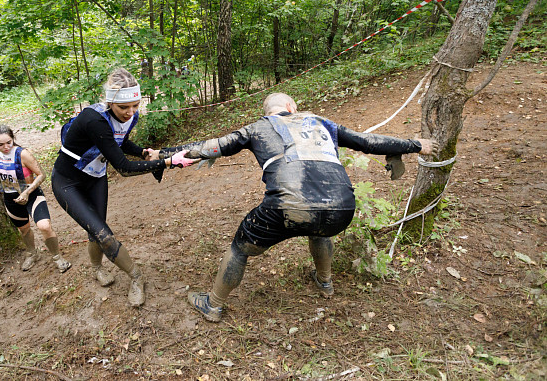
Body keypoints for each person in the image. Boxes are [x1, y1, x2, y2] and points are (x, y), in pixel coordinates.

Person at [157, 92, 437, 322]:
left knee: (240, 248)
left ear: (268, 113)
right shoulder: (320, 122)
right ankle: (325, 282)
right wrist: (415, 145)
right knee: (321, 227)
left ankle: (213, 304)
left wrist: (163, 155)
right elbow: (367, 141)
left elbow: (211, 146)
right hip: (341, 208)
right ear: (292, 107)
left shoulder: (257, 127)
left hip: (286, 208)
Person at [52, 67, 194, 307]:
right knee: (103, 234)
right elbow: (124, 168)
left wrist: (142, 152)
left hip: (95, 176)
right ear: (110, 102)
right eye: (124, 108)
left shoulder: (130, 116)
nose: (131, 113)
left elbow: (119, 141)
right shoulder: (94, 119)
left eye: (136, 106)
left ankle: (97, 268)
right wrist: (167, 162)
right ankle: (136, 276)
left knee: (95, 231)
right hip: (68, 181)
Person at [0, 126, 72, 273]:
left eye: (9, 142)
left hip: (31, 194)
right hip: (10, 197)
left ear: (13, 138)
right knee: (24, 230)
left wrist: (27, 192)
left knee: (44, 226)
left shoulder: (23, 154)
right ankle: (32, 254)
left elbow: (41, 174)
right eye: (0, 145)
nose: (6, 147)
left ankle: (58, 257)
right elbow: (3, 164)